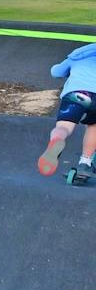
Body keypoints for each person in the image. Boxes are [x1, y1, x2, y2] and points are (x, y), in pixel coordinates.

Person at [38, 41, 96, 186]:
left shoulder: (78, 56)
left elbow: (56, 72)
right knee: (93, 126)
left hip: (77, 93)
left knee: (64, 127)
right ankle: (85, 162)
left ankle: (57, 140)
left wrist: (68, 67)